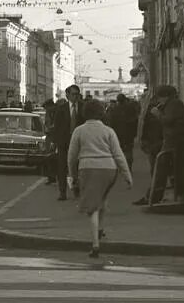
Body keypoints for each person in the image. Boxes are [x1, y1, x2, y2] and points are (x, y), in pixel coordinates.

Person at [68, 98, 133, 258]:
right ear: (101, 113)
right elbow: (118, 155)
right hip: (109, 169)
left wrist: (72, 174)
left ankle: (95, 244)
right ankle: (100, 229)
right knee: (102, 200)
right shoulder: (109, 131)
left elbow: (71, 156)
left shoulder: (79, 131)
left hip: (89, 168)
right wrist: (127, 175)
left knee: (92, 208)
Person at [149, 85, 184, 205]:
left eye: (160, 98)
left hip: (176, 142)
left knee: (163, 168)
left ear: (165, 96)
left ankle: (155, 196)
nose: (159, 101)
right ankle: (158, 195)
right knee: (170, 169)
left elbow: (168, 121)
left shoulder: (173, 105)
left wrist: (157, 114)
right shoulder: (173, 104)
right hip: (176, 141)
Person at [52, 85, 84, 200]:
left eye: (77, 94)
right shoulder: (61, 109)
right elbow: (57, 127)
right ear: (68, 95)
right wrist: (56, 143)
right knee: (62, 168)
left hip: (80, 144)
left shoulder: (84, 108)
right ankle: (62, 192)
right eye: (73, 94)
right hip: (64, 144)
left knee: (78, 168)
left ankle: (76, 189)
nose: (76, 97)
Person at [132, 95, 164, 205]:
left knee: (156, 172)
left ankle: (152, 197)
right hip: (153, 144)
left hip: (155, 145)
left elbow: (150, 127)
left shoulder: (155, 111)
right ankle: (153, 196)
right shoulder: (151, 110)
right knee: (155, 171)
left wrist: (145, 141)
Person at [106, 93, 139, 172]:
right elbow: (135, 121)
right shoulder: (131, 108)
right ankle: (129, 167)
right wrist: (135, 133)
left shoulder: (115, 109)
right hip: (129, 133)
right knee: (129, 150)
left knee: (119, 151)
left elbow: (111, 122)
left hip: (118, 133)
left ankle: (121, 167)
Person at [43, 98, 57, 184]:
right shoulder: (48, 113)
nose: (46, 110)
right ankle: (51, 177)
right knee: (48, 156)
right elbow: (46, 124)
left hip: (55, 137)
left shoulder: (57, 112)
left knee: (54, 157)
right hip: (49, 136)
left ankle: (54, 176)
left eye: (47, 108)